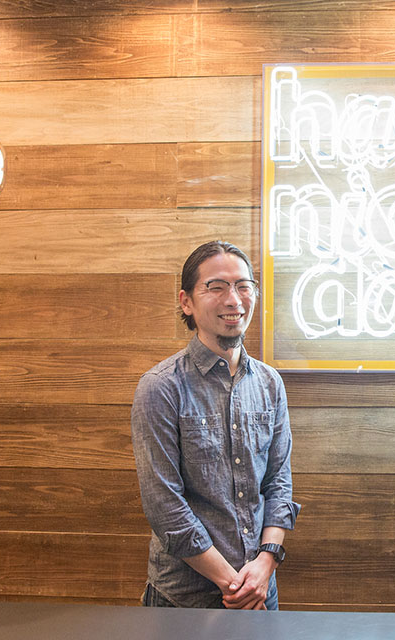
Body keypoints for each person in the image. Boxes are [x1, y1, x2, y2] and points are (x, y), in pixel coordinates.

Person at [131, 240, 300, 609]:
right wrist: (234, 583)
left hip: (260, 590)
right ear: (186, 302)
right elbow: (164, 505)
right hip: (184, 599)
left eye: (243, 286)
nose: (233, 299)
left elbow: (278, 483)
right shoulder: (161, 386)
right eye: (216, 287)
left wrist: (266, 563)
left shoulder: (270, 383)